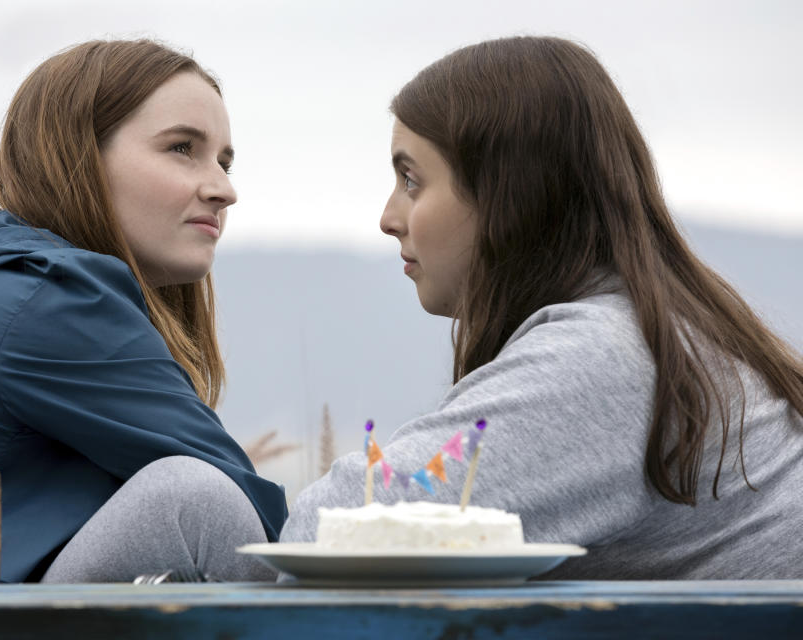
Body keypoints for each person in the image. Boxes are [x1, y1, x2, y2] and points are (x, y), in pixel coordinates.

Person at [280, 36, 803, 579]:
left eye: (412, 180)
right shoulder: (658, 333)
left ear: (508, 194)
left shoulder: (600, 358)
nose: (389, 218)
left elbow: (322, 534)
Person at [0, 39, 285, 583]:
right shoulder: (51, 300)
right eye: (181, 148)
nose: (223, 189)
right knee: (197, 500)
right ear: (79, 157)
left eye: (224, 161)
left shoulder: (5, 286)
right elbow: (254, 512)